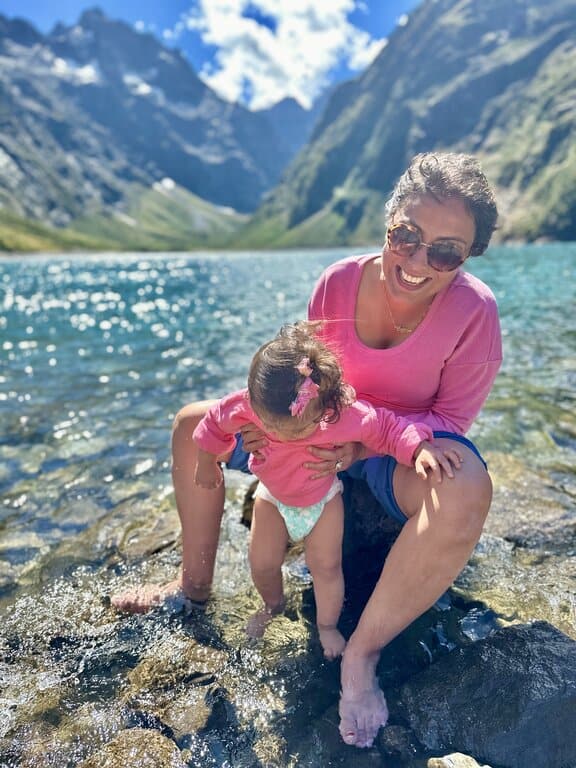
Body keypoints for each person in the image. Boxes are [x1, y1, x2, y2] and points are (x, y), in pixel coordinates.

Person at [112, 152, 501, 751]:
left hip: (388, 454)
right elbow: (308, 377)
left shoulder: (475, 314)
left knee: (466, 485)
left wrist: (356, 445)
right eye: (407, 235)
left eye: (446, 251)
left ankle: (361, 656)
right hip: (317, 436)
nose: (418, 260)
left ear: (468, 256)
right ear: (389, 220)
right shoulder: (338, 283)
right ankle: (190, 589)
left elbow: (448, 422)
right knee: (191, 423)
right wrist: (276, 426)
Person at [192, 321, 462, 659]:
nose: (284, 435)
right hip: (272, 498)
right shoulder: (249, 404)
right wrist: (206, 463)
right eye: (271, 426)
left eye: (297, 428)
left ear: (323, 408)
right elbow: (213, 422)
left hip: (323, 502)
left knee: (327, 569)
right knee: (261, 563)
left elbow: (386, 428)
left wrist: (419, 448)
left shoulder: (339, 414)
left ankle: (327, 627)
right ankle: (272, 606)